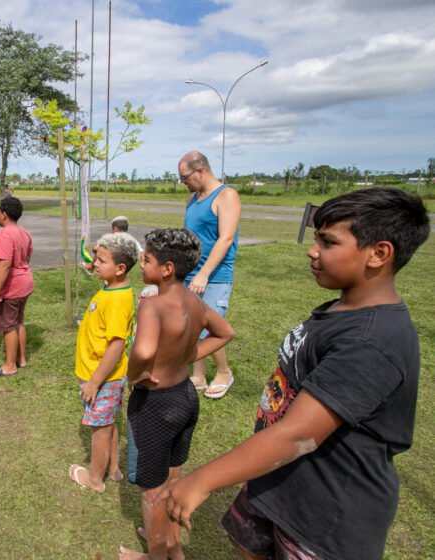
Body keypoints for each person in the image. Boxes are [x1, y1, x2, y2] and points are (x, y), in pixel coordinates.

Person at [158, 188, 430, 560]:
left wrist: (202, 480)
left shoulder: (373, 342)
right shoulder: (341, 309)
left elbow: (298, 434)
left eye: (328, 242)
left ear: (379, 253)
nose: (312, 250)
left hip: (324, 514)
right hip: (279, 481)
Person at [117, 229, 234, 560]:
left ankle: (154, 556)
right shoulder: (195, 301)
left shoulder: (153, 304)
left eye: (147, 259)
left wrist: (134, 375)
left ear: (167, 268)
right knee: (173, 476)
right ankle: (172, 546)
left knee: (152, 491)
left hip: (155, 404)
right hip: (185, 398)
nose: (141, 263)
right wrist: (190, 355)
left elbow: (144, 349)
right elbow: (225, 332)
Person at [68, 232, 139, 493]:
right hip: (103, 376)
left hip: (102, 378)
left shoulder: (118, 300)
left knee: (99, 428)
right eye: (96, 258)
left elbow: (117, 345)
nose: (95, 264)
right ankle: (113, 468)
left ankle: (95, 479)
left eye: (101, 260)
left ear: (120, 268)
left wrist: (94, 382)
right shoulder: (113, 287)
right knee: (108, 422)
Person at [179, 150, 241, 398]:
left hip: (214, 275)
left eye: (185, 177)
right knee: (192, 326)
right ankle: (198, 375)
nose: (184, 183)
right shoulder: (193, 198)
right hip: (190, 272)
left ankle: (224, 372)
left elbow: (225, 239)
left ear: (200, 171)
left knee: (211, 327)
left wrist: (204, 274)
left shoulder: (226, 196)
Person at [0, 196, 34, 376]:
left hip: (11, 288)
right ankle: (21, 360)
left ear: (4, 215)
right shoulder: (24, 232)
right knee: (18, 321)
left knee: (9, 326)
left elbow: (5, 264)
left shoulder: (5, 235)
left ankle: (10, 366)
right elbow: (27, 257)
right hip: (25, 283)